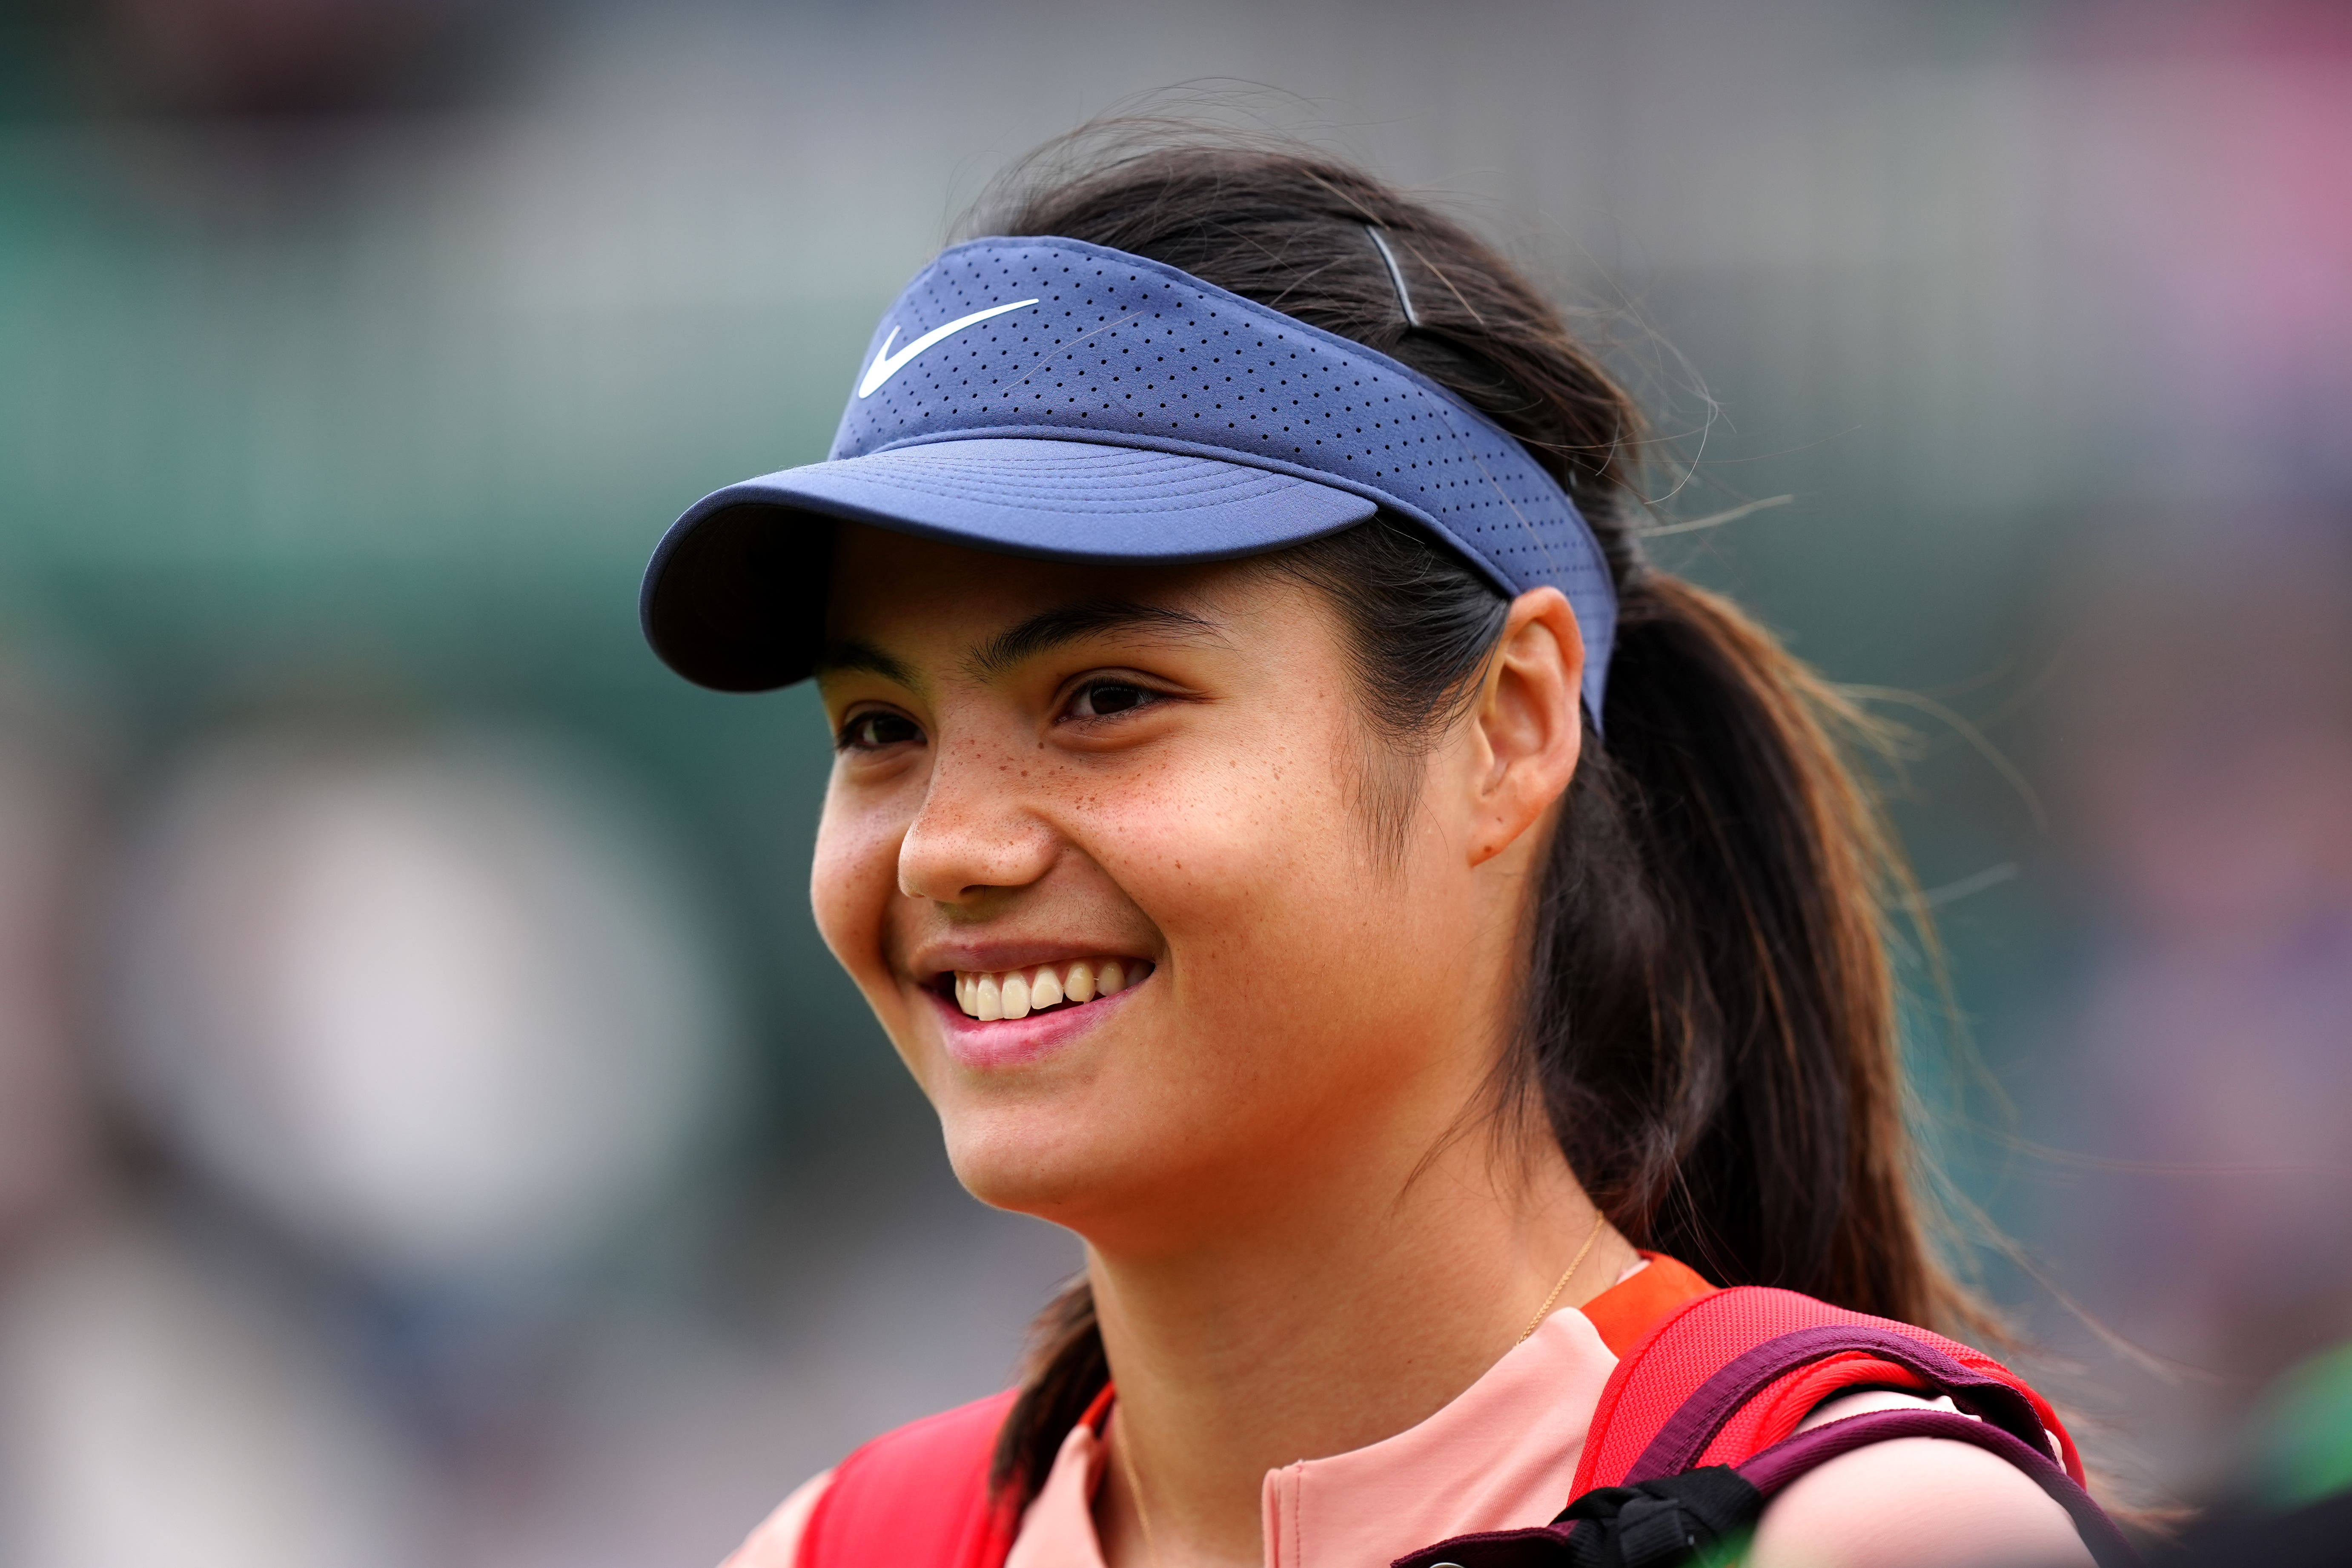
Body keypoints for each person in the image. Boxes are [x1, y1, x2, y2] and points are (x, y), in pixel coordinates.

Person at [639, 139, 2114, 1568]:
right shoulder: (838, 1549)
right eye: (880, 725)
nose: (949, 849)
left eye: (1106, 698)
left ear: (1510, 726)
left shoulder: (1861, 1536)